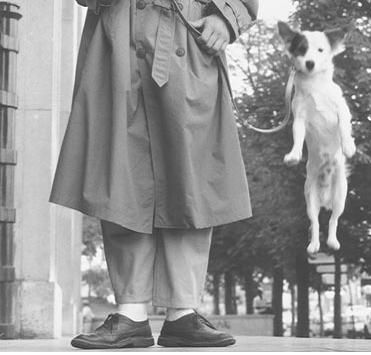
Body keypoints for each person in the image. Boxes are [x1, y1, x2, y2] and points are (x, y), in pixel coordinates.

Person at [49, 0, 258, 349]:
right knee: (119, 174)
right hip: (117, 38)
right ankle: (130, 313)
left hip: (190, 37)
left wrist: (227, 16)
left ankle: (183, 312)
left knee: (192, 177)